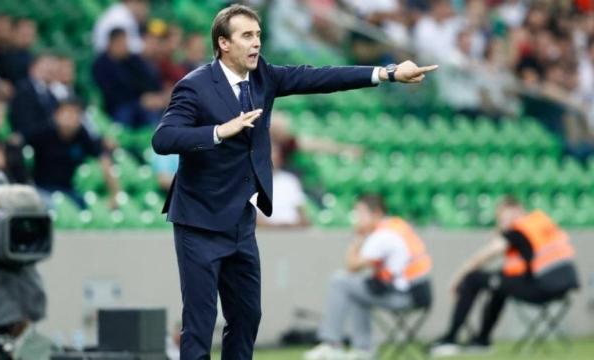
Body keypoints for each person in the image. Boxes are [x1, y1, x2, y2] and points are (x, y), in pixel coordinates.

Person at [151, 4, 437, 359]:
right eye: (246, 36)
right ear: (223, 43)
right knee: (200, 321)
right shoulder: (193, 86)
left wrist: (387, 72)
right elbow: (163, 139)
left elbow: (320, 77)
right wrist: (219, 132)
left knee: (247, 316)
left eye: (258, 35)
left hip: (240, 219)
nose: (256, 43)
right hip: (199, 221)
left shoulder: (263, 76)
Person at [430, 196, 580, 357]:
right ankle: (482, 340)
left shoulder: (518, 229)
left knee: (472, 279)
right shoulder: (540, 221)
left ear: (515, 212)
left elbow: (486, 254)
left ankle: (451, 338)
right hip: (562, 288)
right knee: (499, 284)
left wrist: (457, 277)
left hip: (540, 288)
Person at [304, 195, 432, 360]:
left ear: (377, 213)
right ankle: (364, 350)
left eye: (361, 213)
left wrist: (357, 239)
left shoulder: (382, 235)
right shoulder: (396, 224)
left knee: (339, 281)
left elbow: (352, 266)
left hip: (405, 297)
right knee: (358, 292)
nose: (357, 219)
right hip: (418, 293)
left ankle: (331, 344)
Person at [28, 98, 119, 208]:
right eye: (67, 113)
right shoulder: (42, 133)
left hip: (69, 190)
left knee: (91, 209)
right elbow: (18, 141)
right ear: (56, 115)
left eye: (76, 114)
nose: (71, 118)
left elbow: (103, 157)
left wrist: (114, 194)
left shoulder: (82, 135)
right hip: (43, 189)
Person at [92, 28, 163, 128]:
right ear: (112, 43)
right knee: (126, 114)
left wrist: (154, 96)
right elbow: (111, 93)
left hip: (140, 102)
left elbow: (147, 80)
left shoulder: (131, 59)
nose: (125, 46)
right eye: (122, 43)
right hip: (117, 106)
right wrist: (139, 100)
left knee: (156, 111)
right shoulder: (101, 64)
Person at [256, 142, 309, 228]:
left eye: (275, 155)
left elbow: (302, 212)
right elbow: (252, 218)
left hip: (292, 234)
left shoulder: (290, 181)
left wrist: (296, 225)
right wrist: (276, 227)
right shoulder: (250, 182)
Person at [8, 53, 58, 142]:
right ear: (33, 67)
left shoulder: (52, 96)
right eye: (46, 65)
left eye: (52, 67)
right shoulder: (23, 88)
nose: (50, 69)